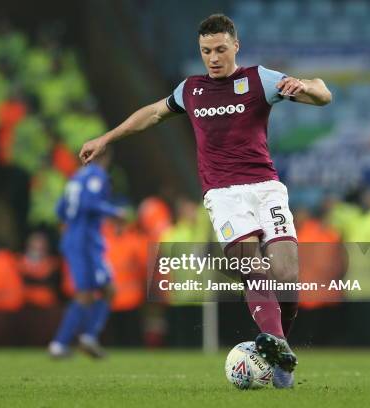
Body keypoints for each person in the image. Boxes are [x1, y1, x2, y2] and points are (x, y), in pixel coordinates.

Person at [78, 14, 332, 387]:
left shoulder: (259, 79)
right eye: (206, 51)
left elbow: (323, 95)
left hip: (266, 187)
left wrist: (304, 86)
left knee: (288, 276)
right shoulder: (191, 90)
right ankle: (278, 353)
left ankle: (279, 350)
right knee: (251, 265)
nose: (213, 58)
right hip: (223, 194)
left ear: (236, 46)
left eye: (220, 50)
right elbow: (151, 114)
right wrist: (106, 138)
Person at [48, 148, 125, 358]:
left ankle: (84, 338)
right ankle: (63, 343)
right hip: (85, 242)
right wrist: (114, 212)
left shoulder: (75, 178)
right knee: (90, 292)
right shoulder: (96, 175)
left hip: (75, 239)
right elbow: (89, 203)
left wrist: (72, 226)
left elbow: (60, 210)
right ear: (104, 156)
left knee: (103, 289)